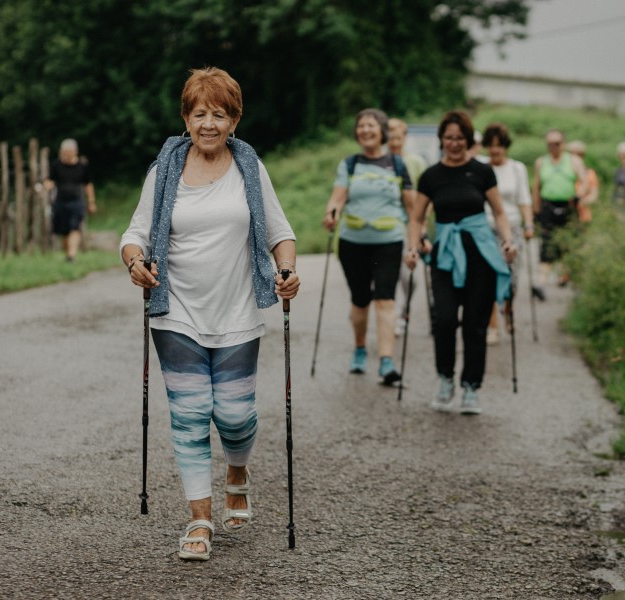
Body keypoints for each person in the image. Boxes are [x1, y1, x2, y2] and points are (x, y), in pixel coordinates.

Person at [120, 66, 299, 561]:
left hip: (238, 309)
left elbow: (279, 232)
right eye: (200, 113)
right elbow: (133, 234)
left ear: (234, 120)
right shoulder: (165, 170)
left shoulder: (249, 168)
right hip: (176, 311)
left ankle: (237, 473)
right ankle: (199, 520)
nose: (209, 123)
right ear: (185, 118)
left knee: (236, 417)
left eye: (219, 114)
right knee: (191, 415)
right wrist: (135, 262)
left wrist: (286, 271)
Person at [404, 110, 517, 415]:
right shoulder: (430, 176)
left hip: (480, 252)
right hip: (445, 256)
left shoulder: (481, 172)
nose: (454, 143)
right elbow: (417, 218)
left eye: (459, 138)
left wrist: (508, 240)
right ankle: (445, 380)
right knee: (444, 320)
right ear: (441, 139)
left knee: (475, 325)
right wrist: (413, 248)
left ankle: (470, 387)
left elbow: (501, 212)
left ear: (468, 140)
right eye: (449, 138)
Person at [323, 109, 413, 385]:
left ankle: (386, 361)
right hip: (353, 244)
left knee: (385, 299)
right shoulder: (349, 165)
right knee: (360, 301)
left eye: (371, 126)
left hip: (389, 242)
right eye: (361, 126)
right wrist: (332, 213)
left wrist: (417, 240)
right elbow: (338, 197)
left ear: (382, 131)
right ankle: (360, 348)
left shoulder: (397, 164)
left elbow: (411, 207)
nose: (365, 130)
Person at [481, 122, 534, 343]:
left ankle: (508, 310)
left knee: (512, 279)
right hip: (486, 227)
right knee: (489, 278)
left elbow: (524, 200)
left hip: (511, 228)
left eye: (499, 145)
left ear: (506, 147)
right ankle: (492, 326)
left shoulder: (517, 168)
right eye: (491, 145)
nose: (495, 150)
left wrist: (529, 225)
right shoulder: (481, 166)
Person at [531, 129, 587, 293]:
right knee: (547, 243)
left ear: (563, 144)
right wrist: (535, 210)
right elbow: (536, 186)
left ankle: (566, 276)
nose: (553, 147)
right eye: (549, 144)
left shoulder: (574, 161)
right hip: (548, 206)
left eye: (556, 144)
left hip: (568, 206)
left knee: (568, 242)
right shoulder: (541, 162)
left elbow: (584, 182)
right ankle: (541, 282)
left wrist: (579, 195)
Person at [388, 118, 429, 336]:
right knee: (391, 276)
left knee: (409, 278)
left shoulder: (416, 163)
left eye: (398, 137)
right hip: (389, 226)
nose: (394, 142)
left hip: (410, 226)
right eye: (391, 137)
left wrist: (423, 224)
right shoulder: (381, 161)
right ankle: (393, 317)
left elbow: (427, 196)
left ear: (404, 138)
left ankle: (404, 311)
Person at [45, 139, 96, 262]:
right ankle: (68, 254)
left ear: (75, 152)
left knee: (75, 227)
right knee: (64, 231)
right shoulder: (56, 165)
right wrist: (48, 185)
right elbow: (50, 180)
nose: (66, 155)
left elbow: (88, 184)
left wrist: (91, 202)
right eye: (64, 152)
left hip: (76, 201)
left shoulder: (81, 166)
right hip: (60, 201)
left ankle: (72, 255)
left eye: (69, 152)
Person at [566, 140, 599, 225]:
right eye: (572, 154)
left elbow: (594, 195)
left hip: (583, 215)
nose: (575, 158)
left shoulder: (590, 174)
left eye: (578, 154)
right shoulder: (563, 174)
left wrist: (580, 202)